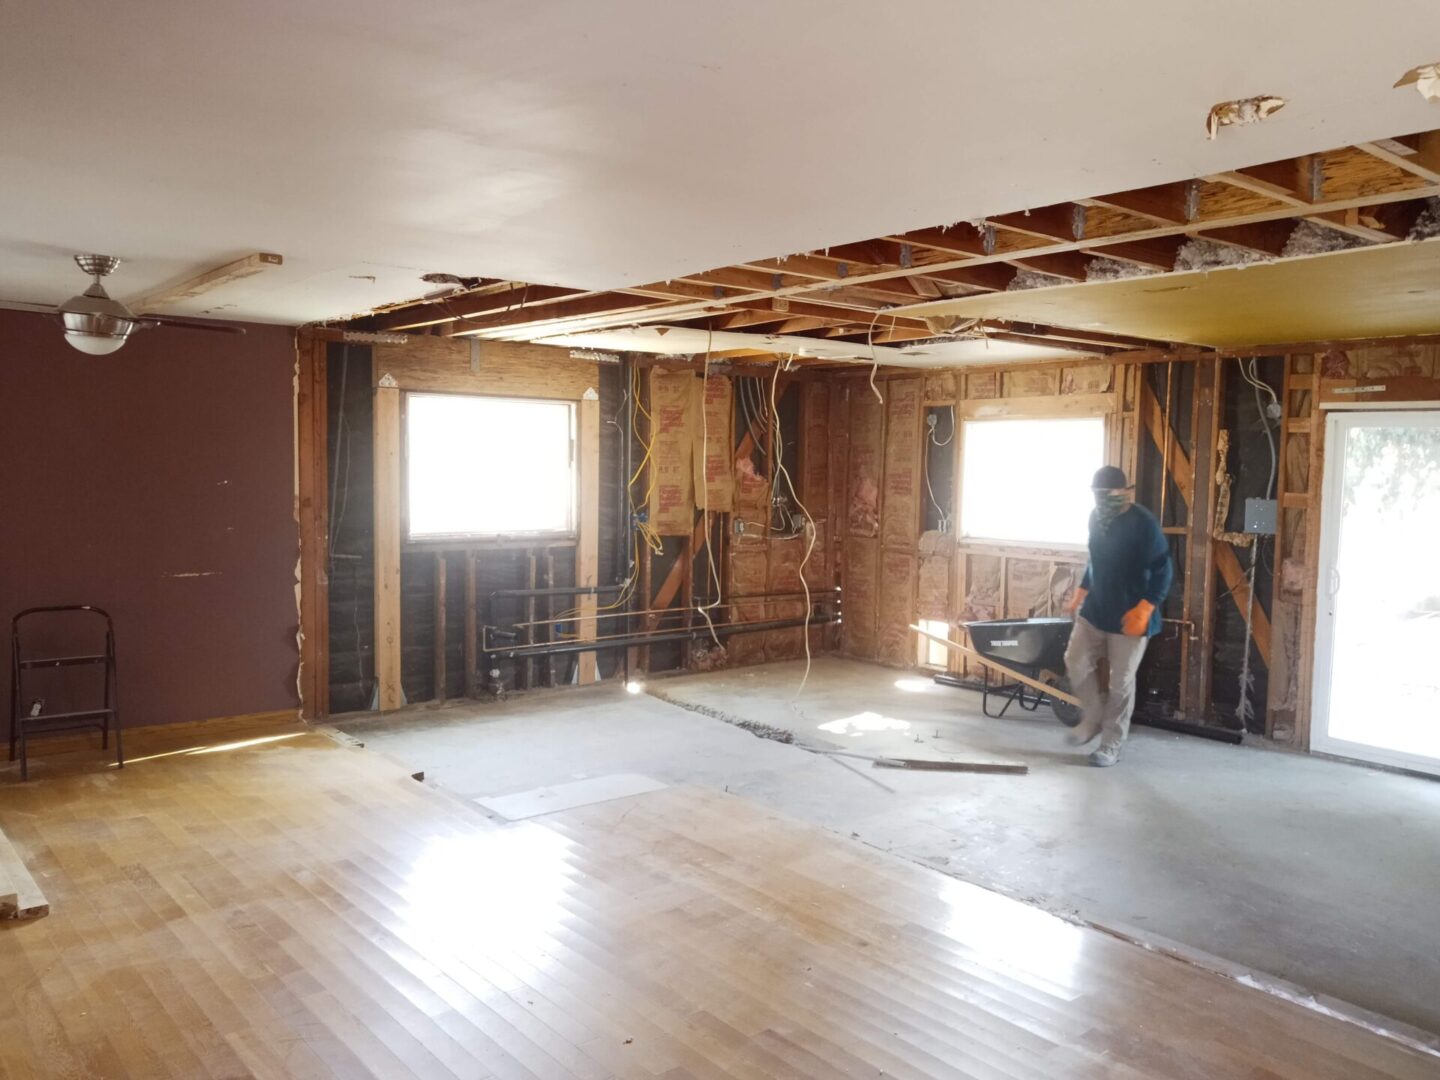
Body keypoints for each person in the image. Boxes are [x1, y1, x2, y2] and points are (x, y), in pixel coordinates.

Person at [1064, 465, 1173, 767]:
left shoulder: (1144, 524)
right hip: (1096, 610)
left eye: (1108, 495)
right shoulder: (1096, 519)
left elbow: (1164, 570)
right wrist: (1082, 591)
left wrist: (1146, 606)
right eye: (1097, 495)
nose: (1102, 500)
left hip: (1131, 619)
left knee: (1120, 684)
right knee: (1074, 661)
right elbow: (1095, 560)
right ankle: (1092, 717)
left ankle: (1110, 744)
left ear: (1125, 492)